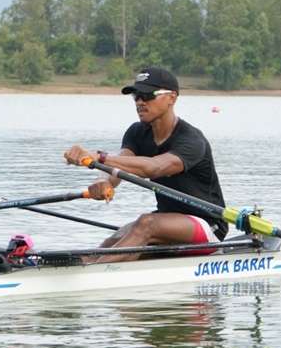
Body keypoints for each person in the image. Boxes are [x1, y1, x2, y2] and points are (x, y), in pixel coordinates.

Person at [64, 66, 227, 263]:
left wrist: (98, 157)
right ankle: (82, 268)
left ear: (172, 98)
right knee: (112, 241)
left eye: (148, 95)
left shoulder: (191, 140)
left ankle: (93, 275)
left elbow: (154, 167)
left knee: (145, 223)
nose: (140, 102)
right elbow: (121, 166)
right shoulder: (137, 133)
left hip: (207, 225)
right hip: (167, 221)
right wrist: (104, 181)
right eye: (136, 96)